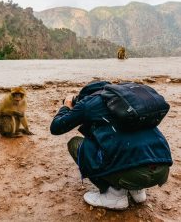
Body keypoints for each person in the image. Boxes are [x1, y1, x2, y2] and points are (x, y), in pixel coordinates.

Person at [50, 82, 173, 210]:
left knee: (76, 144)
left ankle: (114, 195)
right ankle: (137, 191)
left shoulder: (89, 103)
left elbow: (56, 127)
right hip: (162, 169)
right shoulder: (129, 103)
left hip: (132, 175)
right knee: (133, 141)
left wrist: (67, 106)